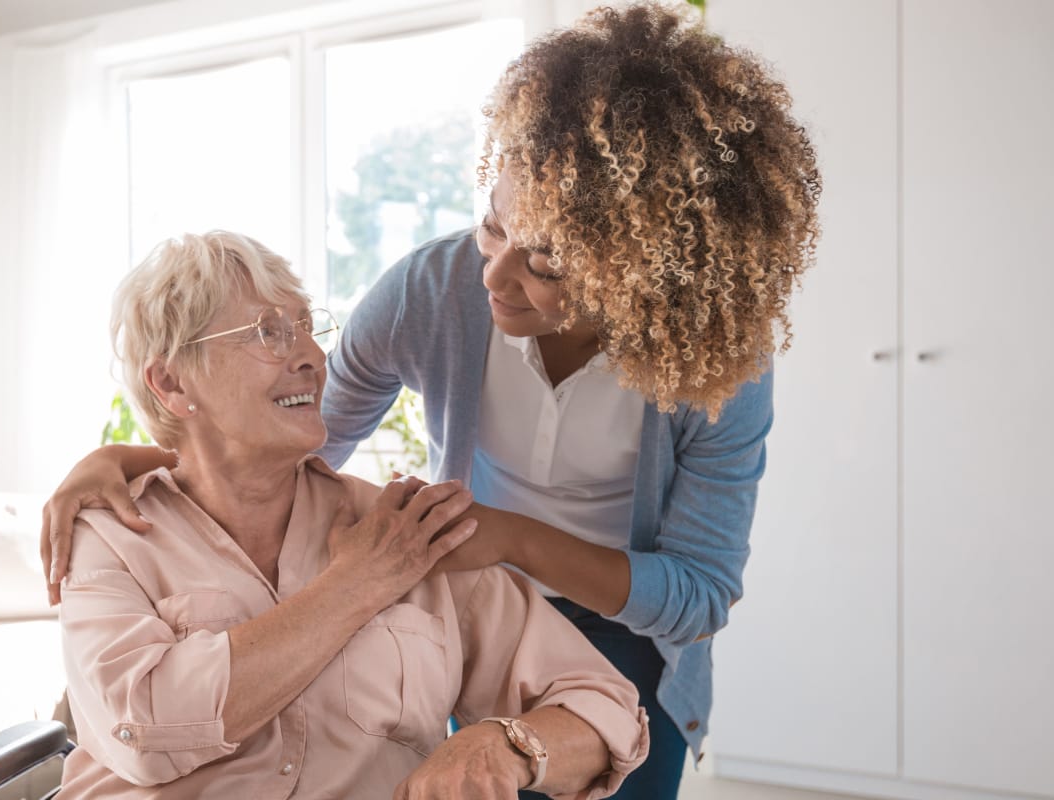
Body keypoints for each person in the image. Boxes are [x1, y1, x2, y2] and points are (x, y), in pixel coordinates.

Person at [44, 4, 821, 799]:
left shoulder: (714, 364)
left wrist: (509, 537)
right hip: (470, 578)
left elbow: (696, 594)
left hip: (622, 621)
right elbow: (299, 437)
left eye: (546, 263)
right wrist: (130, 458)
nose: (494, 275)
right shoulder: (430, 291)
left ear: (639, 273)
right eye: (494, 225)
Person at [57, 230, 648, 799]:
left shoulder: (406, 530)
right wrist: (354, 586)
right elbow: (144, 732)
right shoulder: (110, 535)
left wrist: (507, 745)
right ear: (170, 381)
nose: (315, 357)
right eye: (270, 333)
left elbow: (608, 710)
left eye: (308, 329)